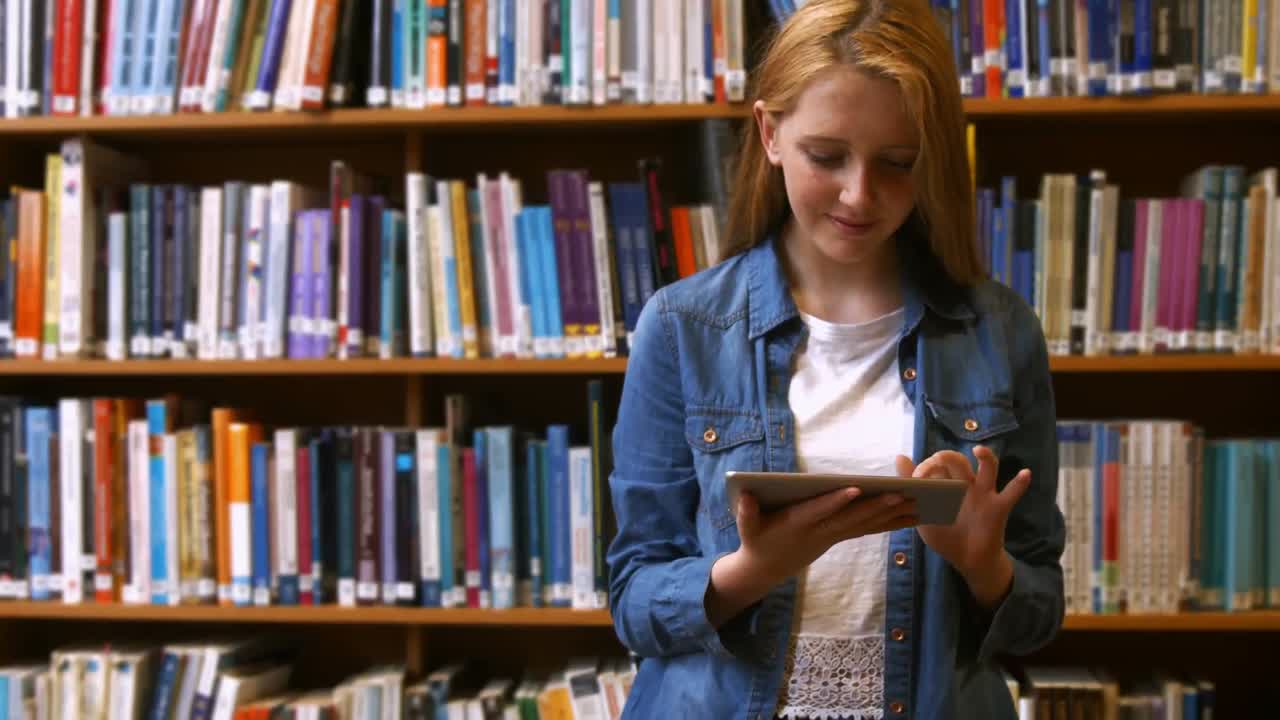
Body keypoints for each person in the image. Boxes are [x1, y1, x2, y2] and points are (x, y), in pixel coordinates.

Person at [605, 0, 1066, 718]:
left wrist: (986, 566)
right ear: (770, 133)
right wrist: (752, 571)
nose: (859, 194)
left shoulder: (1001, 332)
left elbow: (1039, 615)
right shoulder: (680, 328)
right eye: (827, 156)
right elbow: (634, 600)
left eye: (898, 163)